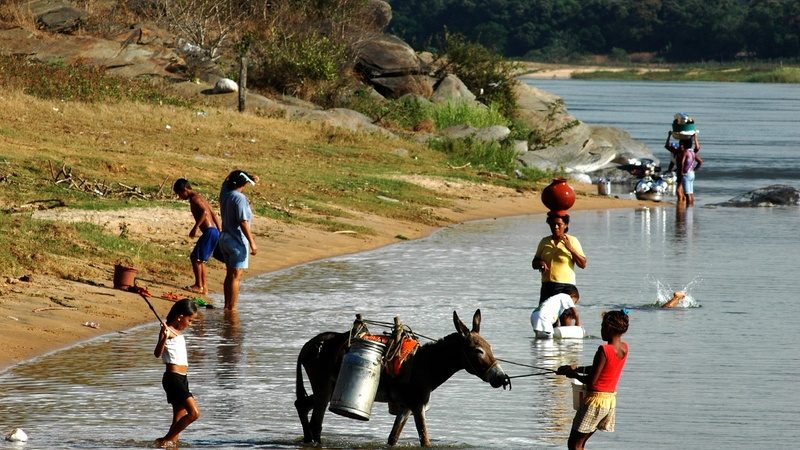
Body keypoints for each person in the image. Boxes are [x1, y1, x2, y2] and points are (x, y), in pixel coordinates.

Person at [557, 309, 629, 450]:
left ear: (609, 328)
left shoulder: (604, 350)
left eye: (602, 326)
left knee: (574, 444)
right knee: (581, 443)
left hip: (594, 402)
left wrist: (572, 375)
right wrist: (576, 368)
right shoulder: (624, 348)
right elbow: (601, 368)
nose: (601, 329)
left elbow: (591, 381)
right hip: (609, 401)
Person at [153, 299, 200, 447]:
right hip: (173, 379)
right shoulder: (167, 331)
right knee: (194, 413)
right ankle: (164, 440)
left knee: (178, 420)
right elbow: (157, 353)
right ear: (180, 317)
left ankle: (172, 443)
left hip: (182, 378)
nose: (190, 324)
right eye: (190, 320)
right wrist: (164, 337)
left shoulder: (177, 332)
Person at [173, 178, 222, 296]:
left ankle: (198, 285)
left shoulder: (195, 199)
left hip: (209, 231)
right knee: (200, 260)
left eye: (179, 194)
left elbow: (205, 213)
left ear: (185, 190)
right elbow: (213, 213)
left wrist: (195, 227)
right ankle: (204, 288)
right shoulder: (201, 197)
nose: (179, 197)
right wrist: (220, 231)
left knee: (195, 258)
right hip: (214, 231)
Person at [218, 170, 258, 310]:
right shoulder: (239, 198)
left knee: (229, 275)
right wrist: (252, 243)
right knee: (236, 277)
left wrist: (245, 176)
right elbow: (243, 221)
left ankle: (226, 306)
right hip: (237, 242)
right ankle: (232, 309)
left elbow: (226, 179)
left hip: (224, 239)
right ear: (244, 183)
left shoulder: (225, 194)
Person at [532, 214, 587, 304]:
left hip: (566, 286)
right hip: (547, 286)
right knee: (543, 317)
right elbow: (534, 263)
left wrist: (570, 248)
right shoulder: (544, 241)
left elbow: (583, 264)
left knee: (564, 316)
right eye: (552, 224)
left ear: (565, 225)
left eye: (559, 224)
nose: (556, 227)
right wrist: (540, 263)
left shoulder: (572, 240)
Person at [678, 140, 703, 206]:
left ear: (685, 144)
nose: (681, 145)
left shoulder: (685, 152)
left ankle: (688, 208)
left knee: (687, 194)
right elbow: (700, 162)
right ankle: (691, 208)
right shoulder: (692, 152)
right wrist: (695, 170)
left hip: (686, 174)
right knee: (691, 193)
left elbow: (681, 163)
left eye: (682, 144)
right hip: (691, 174)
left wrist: (681, 173)